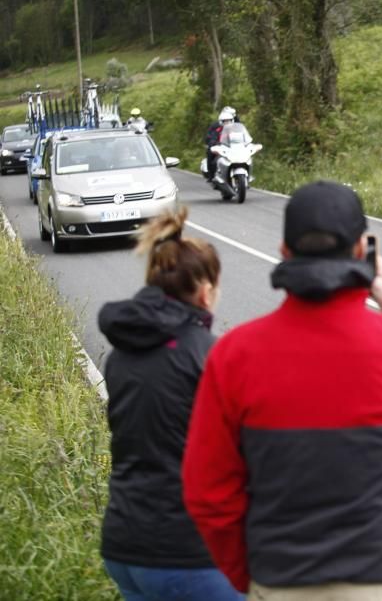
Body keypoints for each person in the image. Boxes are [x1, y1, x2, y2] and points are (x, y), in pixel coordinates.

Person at [182, 180, 382, 598]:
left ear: (284, 252)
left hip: (281, 579)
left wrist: (249, 573)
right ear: (362, 253)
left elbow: (206, 491)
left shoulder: (233, 355)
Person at [97, 208, 241, 601]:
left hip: (125, 546)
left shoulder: (121, 354)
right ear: (204, 291)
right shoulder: (209, 356)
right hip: (189, 552)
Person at [204, 107, 236, 180]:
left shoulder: (235, 127)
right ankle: (211, 175)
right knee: (211, 155)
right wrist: (213, 143)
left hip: (233, 148)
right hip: (220, 147)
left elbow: (242, 136)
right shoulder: (217, 127)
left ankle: (245, 177)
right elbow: (211, 136)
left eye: (229, 121)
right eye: (225, 121)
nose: (227, 123)